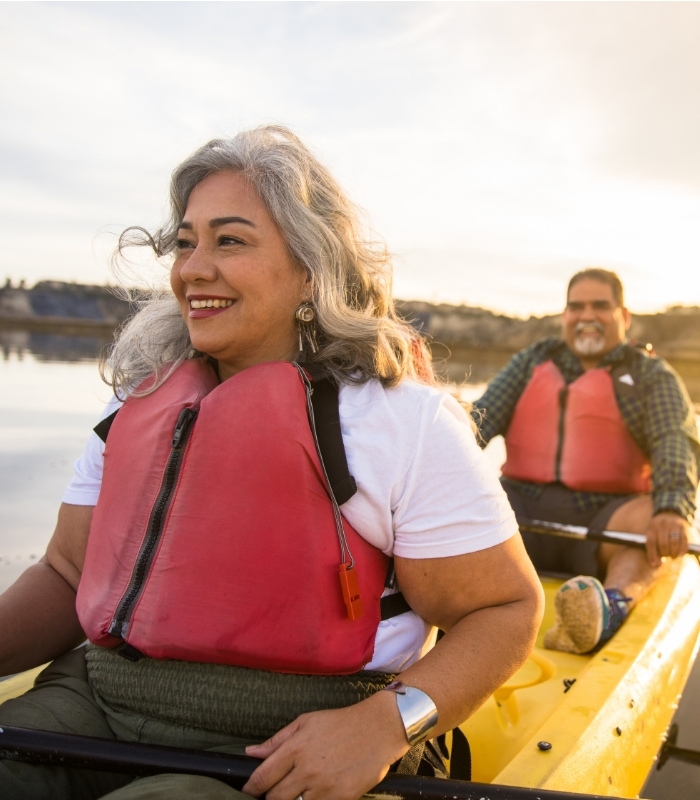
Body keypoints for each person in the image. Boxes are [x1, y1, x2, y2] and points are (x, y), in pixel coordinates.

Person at [0, 126, 543, 800]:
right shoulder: (138, 403)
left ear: (312, 267)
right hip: (97, 703)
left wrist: (385, 725)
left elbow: (505, 609)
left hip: (290, 740)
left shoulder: (402, 422)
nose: (192, 268)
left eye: (230, 240)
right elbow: (65, 572)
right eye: (185, 242)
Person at [472, 268, 699, 655]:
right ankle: (453, 603)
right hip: (519, 513)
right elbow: (479, 422)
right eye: (576, 307)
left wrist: (673, 509)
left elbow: (673, 439)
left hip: (605, 519)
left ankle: (608, 607)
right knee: (463, 498)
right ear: (565, 316)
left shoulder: (649, 375)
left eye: (600, 306)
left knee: (649, 520)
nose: (586, 316)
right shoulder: (532, 362)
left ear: (623, 317)